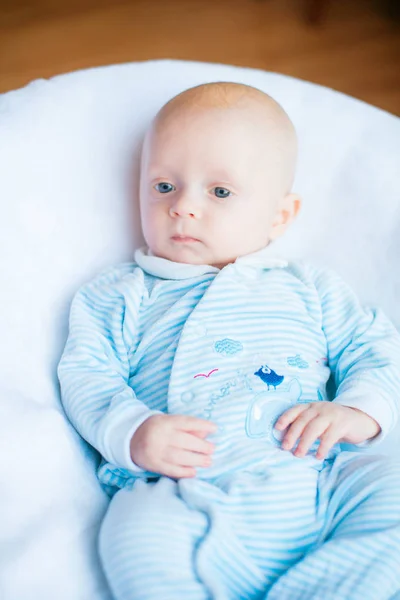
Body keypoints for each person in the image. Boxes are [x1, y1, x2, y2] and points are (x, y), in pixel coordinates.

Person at [57, 81, 400, 600]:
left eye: (219, 192)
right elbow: (87, 373)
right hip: (186, 490)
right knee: (134, 536)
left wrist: (356, 410)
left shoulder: (309, 287)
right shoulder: (120, 294)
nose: (183, 207)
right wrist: (134, 431)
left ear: (280, 216)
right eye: (163, 186)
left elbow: (374, 348)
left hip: (319, 480)